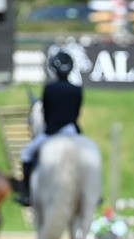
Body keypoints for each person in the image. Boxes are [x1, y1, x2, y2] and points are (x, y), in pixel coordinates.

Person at [14, 51, 83, 207]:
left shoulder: (50, 88)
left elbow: (47, 111)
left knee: (26, 154)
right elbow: (77, 112)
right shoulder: (76, 89)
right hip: (71, 130)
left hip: (52, 131)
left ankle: (26, 195)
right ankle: (93, 194)